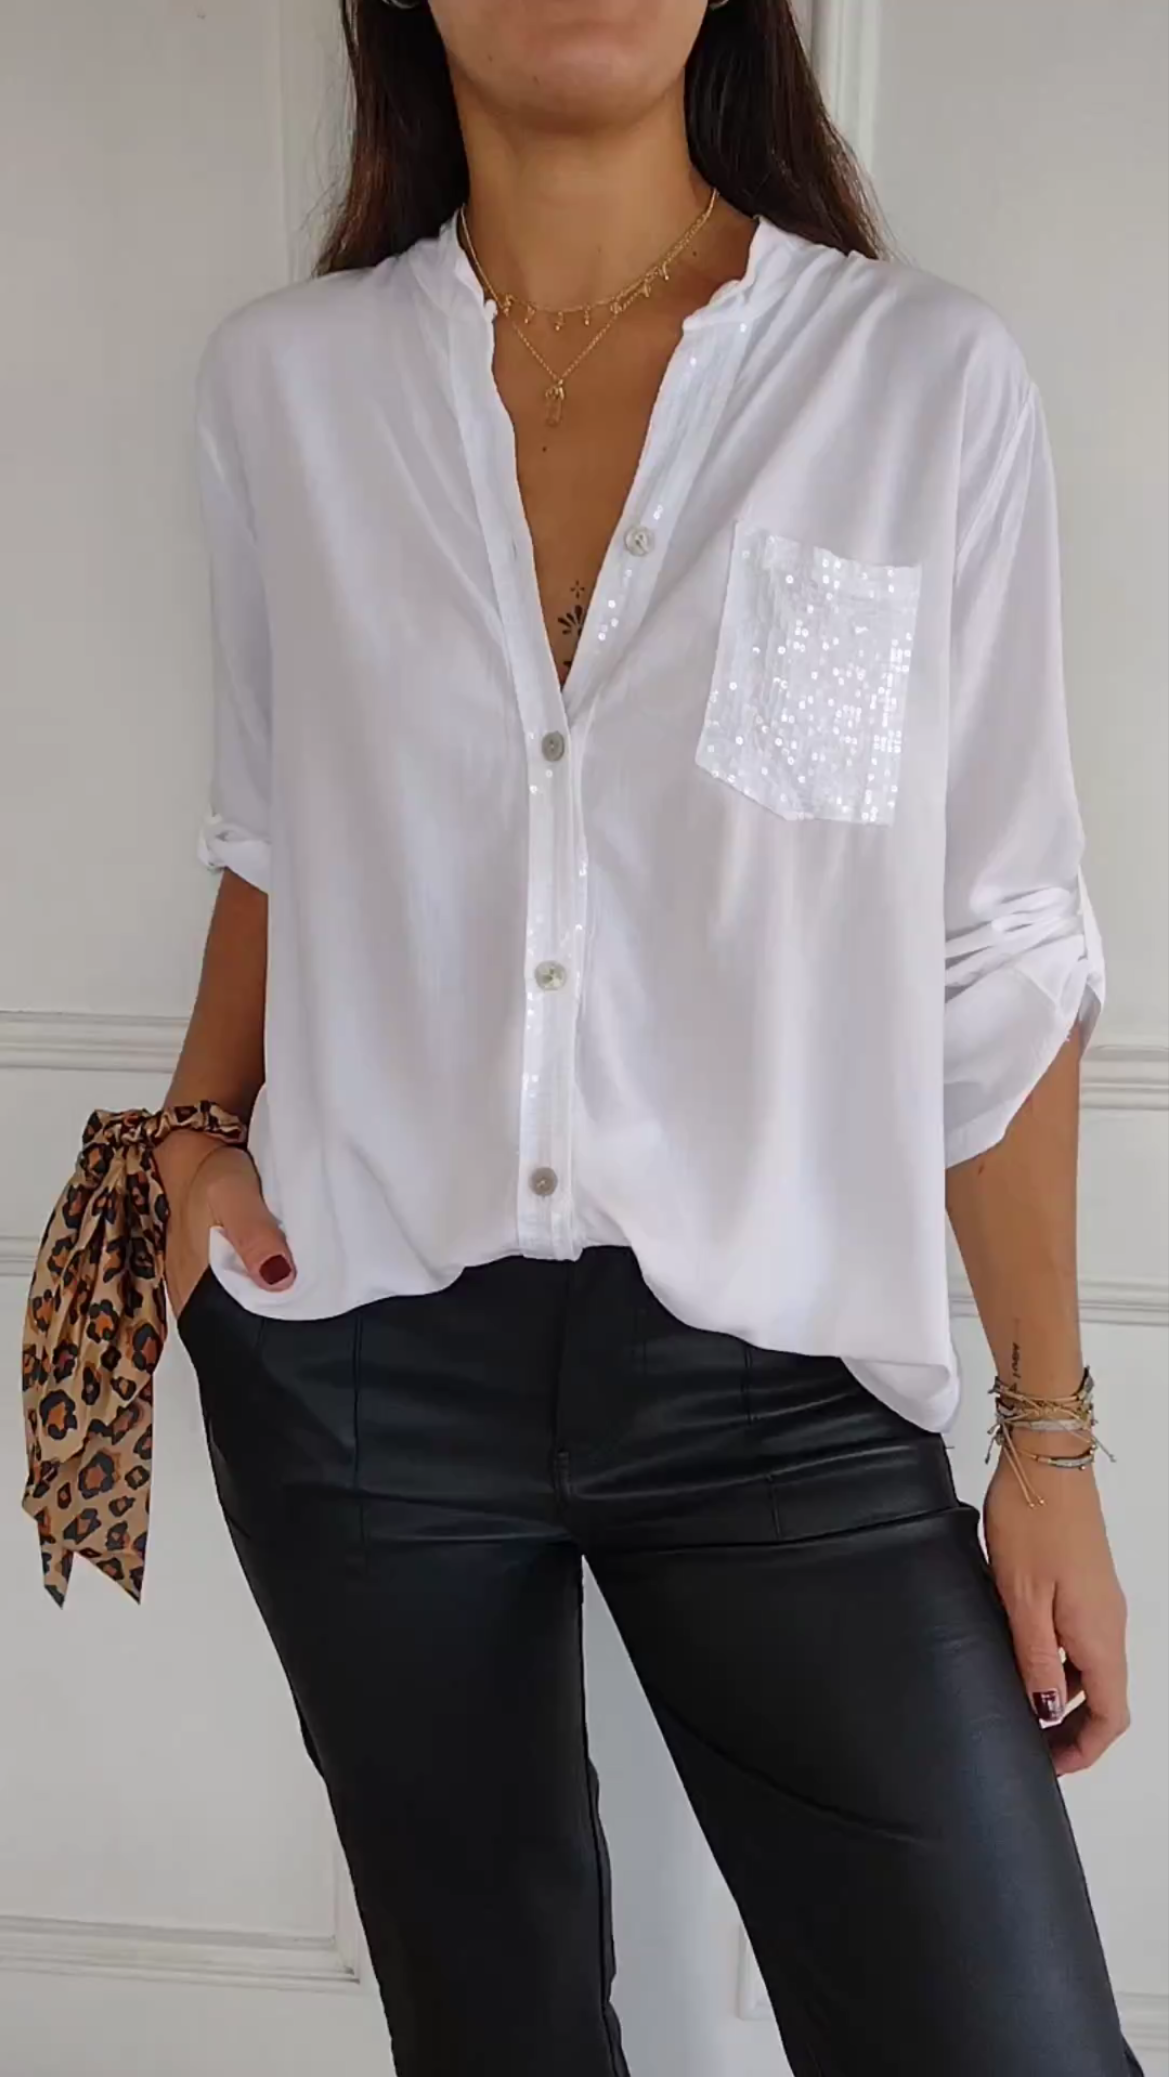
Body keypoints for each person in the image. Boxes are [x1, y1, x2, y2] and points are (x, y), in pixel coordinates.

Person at [69, 2, 1148, 2071]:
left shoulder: (915, 385)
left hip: (776, 1375)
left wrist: (1047, 1442)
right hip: (361, 1362)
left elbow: (1003, 944)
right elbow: (276, 832)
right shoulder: (284, 387)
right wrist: (193, 1140)